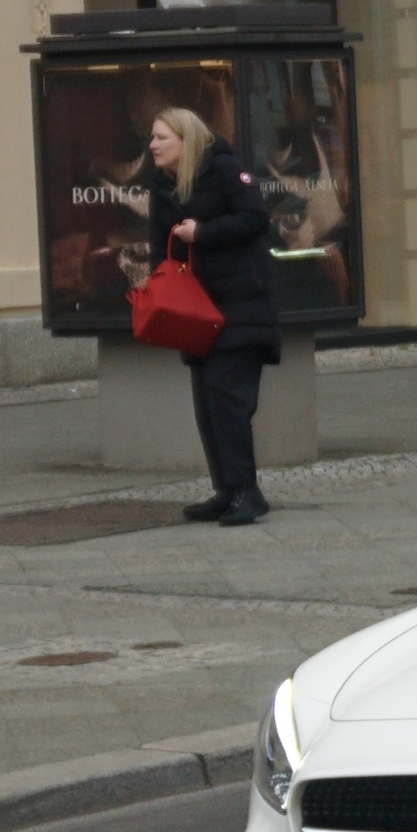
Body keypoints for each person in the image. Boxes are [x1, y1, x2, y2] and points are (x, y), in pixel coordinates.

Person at [144, 105, 278, 526]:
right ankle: (227, 489)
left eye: (161, 138)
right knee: (207, 403)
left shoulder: (224, 170)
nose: (153, 145)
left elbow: (255, 219)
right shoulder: (163, 187)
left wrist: (202, 233)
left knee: (228, 399)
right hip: (197, 314)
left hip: (240, 306)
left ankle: (246, 492)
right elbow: (159, 247)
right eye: (152, 138)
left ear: (186, 140)